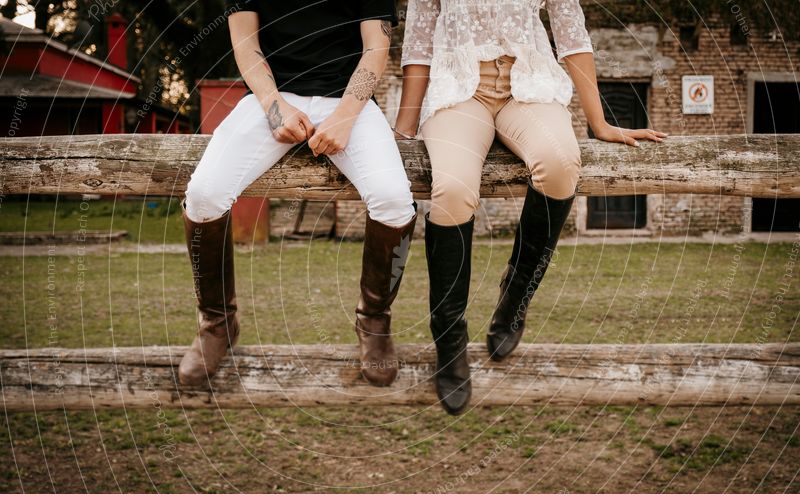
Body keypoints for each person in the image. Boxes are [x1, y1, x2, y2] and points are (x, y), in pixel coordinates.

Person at [396, 0, 667, 415]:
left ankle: (516, 294)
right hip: (458, 92)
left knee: (560, 162)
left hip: (529, 88)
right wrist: (405, 131)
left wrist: (598, 122)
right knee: (451, 188)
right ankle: (449, 337)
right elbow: (417, 46)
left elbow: (571, 34)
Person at [179, 1, 417, 388]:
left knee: (393, 198)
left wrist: (345, 115)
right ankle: (217, 324)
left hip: (349, 103)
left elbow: (376, 47)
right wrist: (275, 108)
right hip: (269, 99)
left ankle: (374, 320)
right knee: (205, 194)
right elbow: (245, 43)